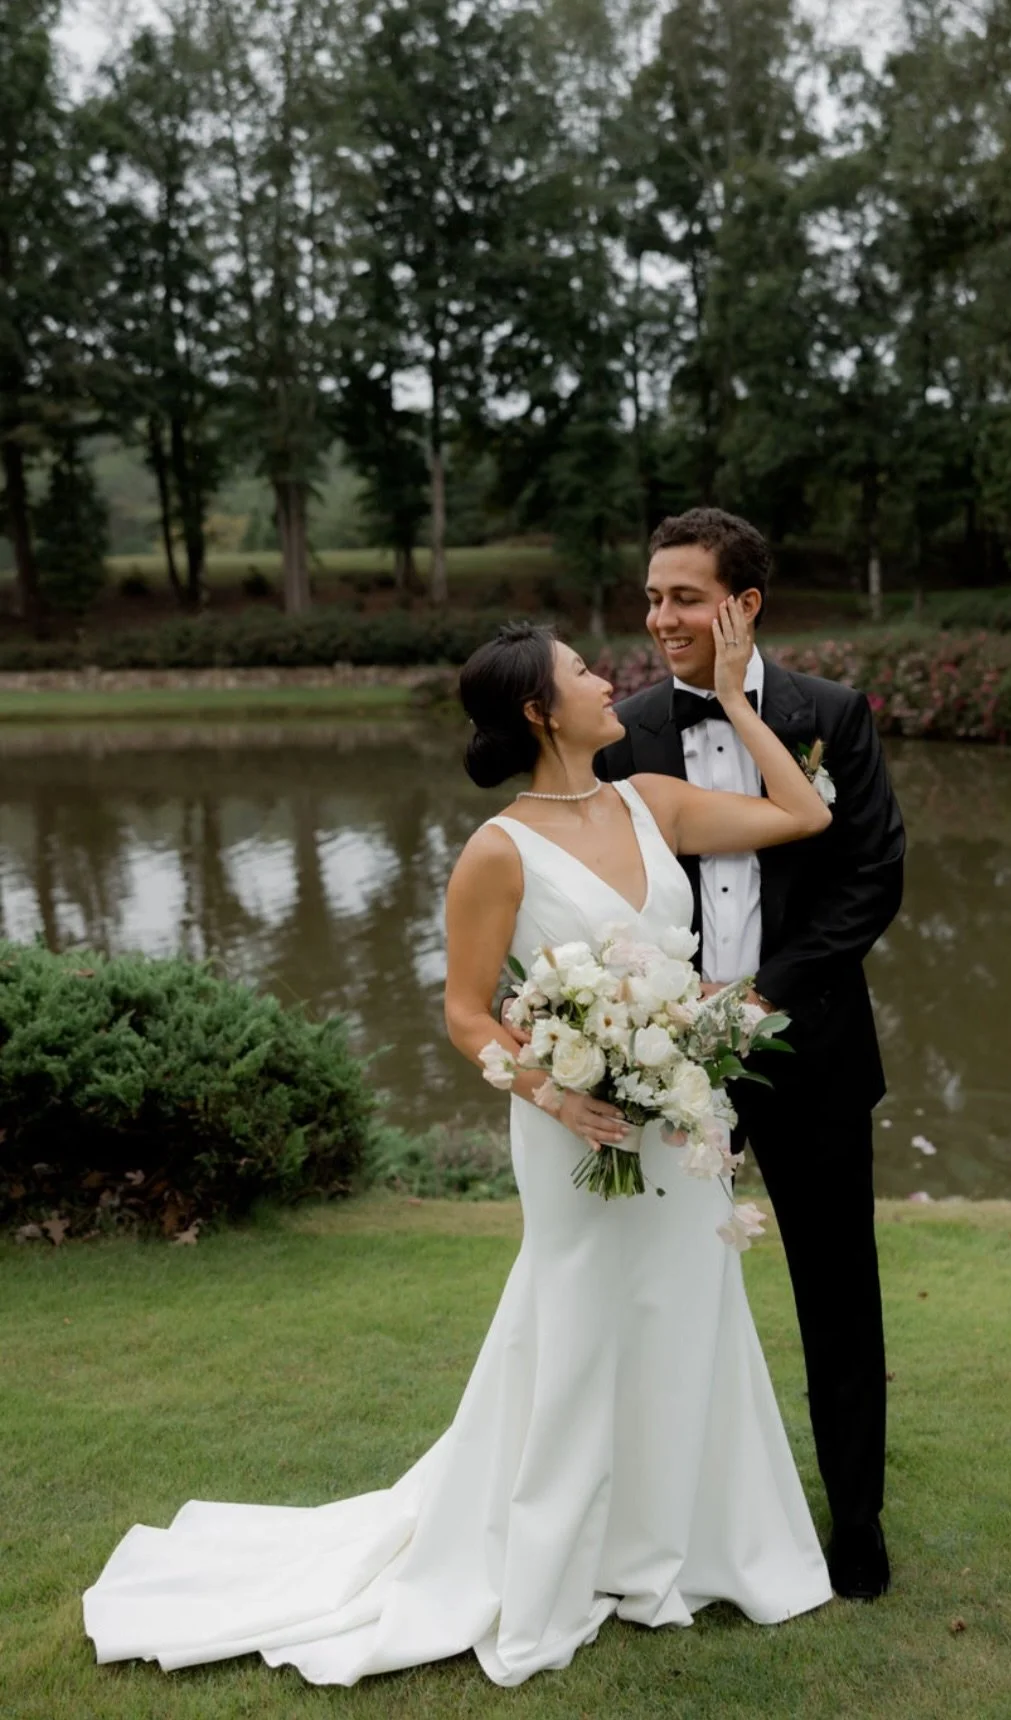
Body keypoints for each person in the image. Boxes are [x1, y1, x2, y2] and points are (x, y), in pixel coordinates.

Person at [82, 598, 838, 1689]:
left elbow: (805, 813)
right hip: (573, 1129)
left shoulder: (655, 801)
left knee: (689, 1317)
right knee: (578, 1330)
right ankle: (552, 1558)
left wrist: (731, 695)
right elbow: (468, 1014)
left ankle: (678, 1546)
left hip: (680, 1121)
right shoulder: (498, 850)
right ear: (541, 710)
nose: (606, 679)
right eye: (582, 671)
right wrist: (557, 1093)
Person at [596, 507, 905, 1601]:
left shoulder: (833, 715)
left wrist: (764, 994)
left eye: (684, 597)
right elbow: (603, 890)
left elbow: (872, 878)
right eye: (652, 597)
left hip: (809, 1050)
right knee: (657, 1289)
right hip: (667, 1061)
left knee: (838, 1292)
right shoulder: (622, 732)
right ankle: (662, 1526)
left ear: (745, 605)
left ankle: (857, 1524)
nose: (660, 617)